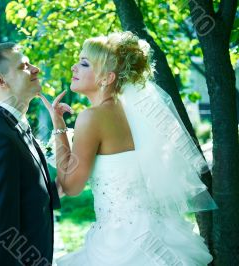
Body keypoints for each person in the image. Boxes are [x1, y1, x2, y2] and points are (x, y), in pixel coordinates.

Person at [40, 32, 217, 265]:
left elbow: (71, 187)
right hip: (158, 233)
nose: (74, 67)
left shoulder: (92, 118)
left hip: (119, 242)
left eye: (84, 63)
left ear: (107, 77)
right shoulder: (133, 114)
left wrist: (59, 127)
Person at [0, 42, 61, 266]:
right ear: (1, 80)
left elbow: (26, 193)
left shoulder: (14, 127)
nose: (35, 69)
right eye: (24, 66)